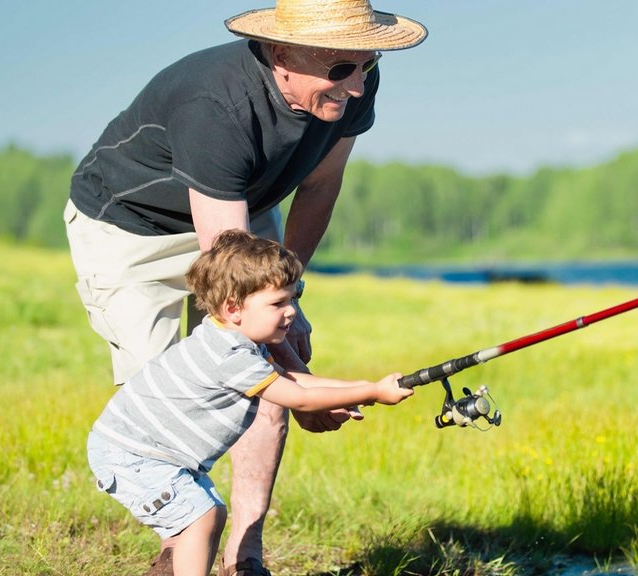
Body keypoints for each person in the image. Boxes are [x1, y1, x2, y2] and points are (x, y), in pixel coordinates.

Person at [64, 0, 427, 574]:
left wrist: (293, 297)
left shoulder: (355, 79)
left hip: (242, 211)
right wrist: (297, 378)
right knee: (180, 389)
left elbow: (319, 186)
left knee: (263, 370)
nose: (356, 86)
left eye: (367, 63)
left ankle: (245, 553)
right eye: (340, 70)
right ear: (281, 55)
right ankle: (180, 537)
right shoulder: (216, 106)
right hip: (134, 230)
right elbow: (234, 275)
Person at [87, 229, 413, 576]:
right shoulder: (227, 353)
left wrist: (367, 386)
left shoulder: (235, 338)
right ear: (234, 308)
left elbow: (296, 381)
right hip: (134, 456)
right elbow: (298, 397)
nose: (291, 313)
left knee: (210, 512)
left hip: (150, 454)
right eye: (278, 303)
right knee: (203, 515)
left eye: (293, 298)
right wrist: (373, 392)